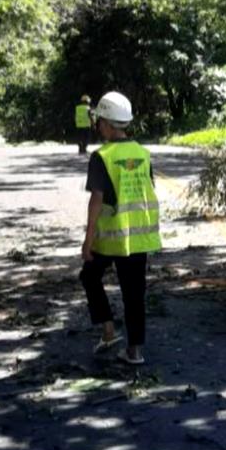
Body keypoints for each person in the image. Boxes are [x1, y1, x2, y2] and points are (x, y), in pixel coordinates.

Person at [79, 91, 161, 365]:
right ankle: (134, 351)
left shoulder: (102, 156)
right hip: (137, 236)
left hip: (110, 236)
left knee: (90, 276)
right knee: (134, 293)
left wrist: (87, 240)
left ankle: (109, 330)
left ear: (109, 124)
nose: (98, 125)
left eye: (100, 121)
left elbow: (97, 201)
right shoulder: (143, 154)